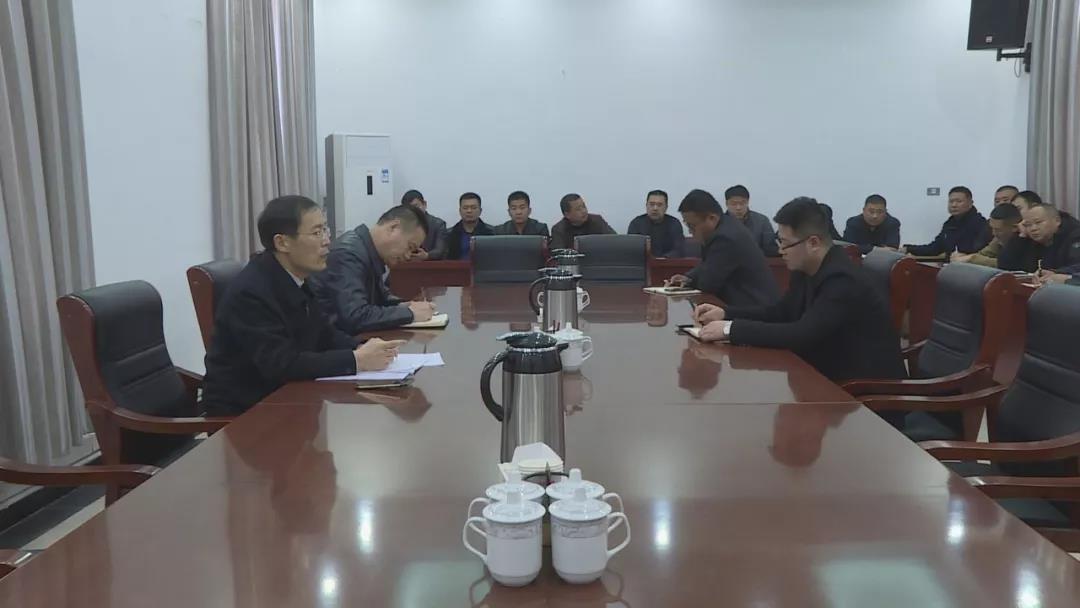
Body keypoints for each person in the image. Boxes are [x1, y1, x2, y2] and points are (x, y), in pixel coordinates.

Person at [200, 195, 404, 416]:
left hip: (287, 400)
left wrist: (363, 346)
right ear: (282, 242)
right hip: (248, 414)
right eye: (316, 233)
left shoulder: (297, 278)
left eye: (325, 230)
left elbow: (324, 335)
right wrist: (357, 360)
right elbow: (282, 364)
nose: (327, 241)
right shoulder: (251, 292)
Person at [693, 197, 907, 385]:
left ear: (813, 243)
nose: (780, 251)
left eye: (785, 243)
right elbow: (781, 312)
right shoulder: (806, 269)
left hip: (862, 393)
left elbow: (802, 334)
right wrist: (726, 313)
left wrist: (730, 329)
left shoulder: (842, 280)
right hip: (825, 376)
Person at [309, 204, 436, 334]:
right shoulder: (348, 254)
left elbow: (380, 298)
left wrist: (405, 305)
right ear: (394, 228)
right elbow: (355, 316)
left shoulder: (368, 250)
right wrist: (410, 313)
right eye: (410, 247)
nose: (408, 256)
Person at [665, 189, 779, 307]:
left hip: (755, 309)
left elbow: (707, 284)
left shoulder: (725, 238)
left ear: (712, 218)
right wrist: (687, 278)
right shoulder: (725, 225)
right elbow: (709, 264)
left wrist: (689, 282)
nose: (690, 231)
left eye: (692, 226)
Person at [901, 186, 991, 256]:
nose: (954, 205)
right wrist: (908, 249)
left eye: (959, 201)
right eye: (951, 201)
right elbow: (935, 248)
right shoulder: (949, 224)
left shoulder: (980, 223)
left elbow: (976, 252)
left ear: (970, 203)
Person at [1002, 203, 1080, 274]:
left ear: (1057, 221)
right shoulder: (1030, 240)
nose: (1033, 229)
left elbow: (1077, 267)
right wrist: (1021, 236)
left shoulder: (1075, 236)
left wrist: (1056, 273)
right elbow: (1005, 267)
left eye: (1038, 222)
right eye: (1028, 225)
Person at [951, 203, 1022, 268]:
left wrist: (972, 258)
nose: (993, 233)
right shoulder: (998, 239)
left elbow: (1009, 264)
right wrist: (965, 257)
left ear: (1014, 228)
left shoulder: (1024, 239)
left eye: (998, 230)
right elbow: (983, 254)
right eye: (992, 228)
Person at [626, 189, 685, 257]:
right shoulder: (636, 223)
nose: (655, 208)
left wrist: (662, 259)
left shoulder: (674, 223)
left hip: (667, 261)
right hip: (642, 261)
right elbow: (631, 249)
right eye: (651, 204)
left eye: (659, 205)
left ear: (666, 207)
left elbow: (679, 250)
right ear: (646, 205)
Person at [724, 185, 778, 256]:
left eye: (742, 203)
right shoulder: (718, 222)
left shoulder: (762, 221)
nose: (738, 207)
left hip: (756, 260)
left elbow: (771, 248)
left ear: (748, 202)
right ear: (726, 204)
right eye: (734, 204)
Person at [550, 193, 616, 249]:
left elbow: (615, 240)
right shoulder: (558, 230)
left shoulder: (597, 220)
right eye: (578, 209)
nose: (584, 211)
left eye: (584, 206)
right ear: (567, 215)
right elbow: (558, 254)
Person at [401, 190, 448, 260]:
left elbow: (440, 250)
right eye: (409, 209)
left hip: (431, 264)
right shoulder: (402, 226)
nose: (414, 211)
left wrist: (427, 255)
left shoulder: (438, 224)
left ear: (424, 204)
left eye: (416, 206)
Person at [447, 192, 495, 259]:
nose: (469, 211)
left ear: (480, 211)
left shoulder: (491, 233)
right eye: (465, 208)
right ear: (460, 211)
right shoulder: (449, 234)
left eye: (473, 208)